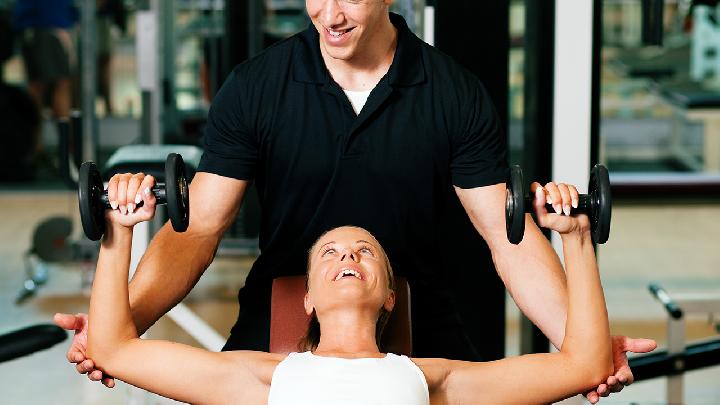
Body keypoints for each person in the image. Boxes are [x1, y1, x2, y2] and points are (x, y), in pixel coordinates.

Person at [56, 1, 656, 402]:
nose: (331, 14)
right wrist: (120, 320)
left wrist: (581, 340)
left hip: (421, 312)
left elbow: (508, 237)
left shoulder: (452, 92)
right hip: (283, 313)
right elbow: (198, 229)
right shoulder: (257, 86)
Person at [66, 177, 616, 404]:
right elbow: (113, 348)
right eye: (328, 253)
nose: (347, 256)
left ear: (391, 296)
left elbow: (585, 364)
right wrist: (118, 229)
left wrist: (576, 236)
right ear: (306, 298)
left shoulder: (433, 380)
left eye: (364, 252)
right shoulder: (264, 379)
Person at [12, 0, 77, 159]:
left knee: (41, 87)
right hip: (47, 21)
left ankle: (38, 147)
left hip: (41, 22)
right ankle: (64, 150)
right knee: (57, 86)